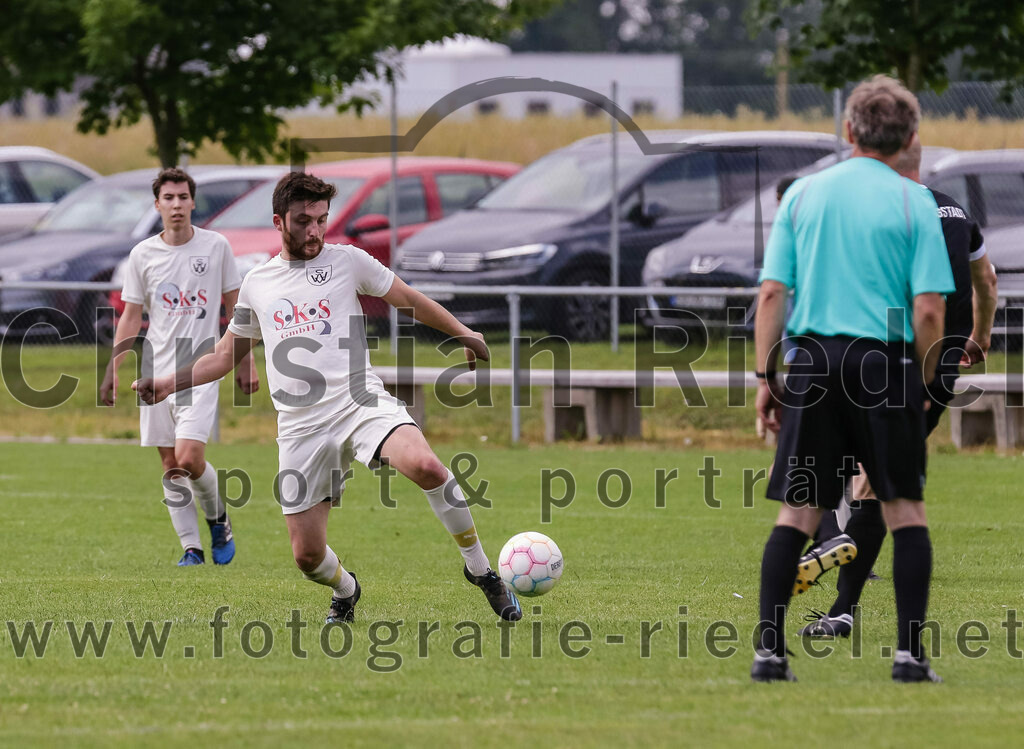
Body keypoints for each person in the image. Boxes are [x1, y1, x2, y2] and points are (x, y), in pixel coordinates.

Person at [132, 171, 522, 623]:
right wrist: (165, 384)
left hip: (359, 403)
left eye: (321, 219)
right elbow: (222, 357)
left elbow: (408, 298)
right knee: (307, 557)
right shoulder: (258, 283)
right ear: (279, 222)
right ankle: (346, 589)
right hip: (300, 427)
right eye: (303, 221)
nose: (315, 230)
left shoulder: (348, 261)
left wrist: (462, 332)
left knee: (427, 466)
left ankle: (481, 571)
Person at [751, 75, 954, 683]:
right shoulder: (915, 201)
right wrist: (923, 381)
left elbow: (770, 294)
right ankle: (910, 658)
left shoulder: (804, 196)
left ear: (848, 132)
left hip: (811, 364)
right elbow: (928, 311)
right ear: (911, 137)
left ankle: (769, 655)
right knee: (904, 512)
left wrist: (769, 375)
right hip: (882, 366)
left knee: (797, 515)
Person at [796, 138, 998, 638]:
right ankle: (843, 609)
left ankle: (829, 543)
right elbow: (987, 280)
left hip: (881, 359)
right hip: (941, 368)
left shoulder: (890, 212)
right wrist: (980, 337)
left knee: (840, 464)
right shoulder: (956, 214)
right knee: (876, 479)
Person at [100, 167, 259, 566]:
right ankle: (191, 548)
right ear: (157, 205)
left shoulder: (216, 246)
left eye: (182, 197)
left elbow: (238, 310)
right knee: (170, 465)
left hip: (200, 368)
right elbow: (132, 316)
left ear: (192, 202)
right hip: (154, 369)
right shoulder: (143, 254)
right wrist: (113, 367)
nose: (176, 205)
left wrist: (245, 361)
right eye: (168, 198)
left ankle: (218, 518)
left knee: (189, 458)